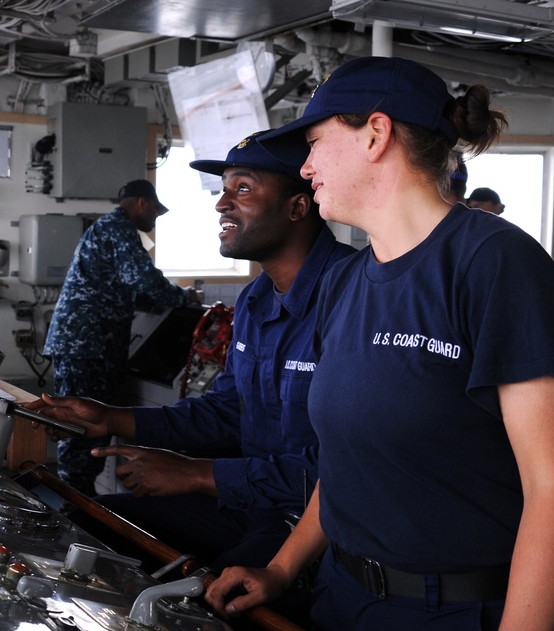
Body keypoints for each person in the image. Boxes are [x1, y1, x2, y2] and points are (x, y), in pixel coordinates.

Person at [205, 56, 554, 631]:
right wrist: (283, 568)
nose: (305, 167)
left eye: (313, 142)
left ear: (376, 135)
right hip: (342, 597)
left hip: (455, 613)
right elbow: (345, 462)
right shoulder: (345, 280)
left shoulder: (495, 264)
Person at [31, 134, 356, 569]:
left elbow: (350, 466)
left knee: (219, 597)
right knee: (88, 530)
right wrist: (111, 419)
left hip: (315, 524)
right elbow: (227, 411)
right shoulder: (257, 300)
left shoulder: (356, 300)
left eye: (242, 188)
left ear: (298, 207)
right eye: (224, 190)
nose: (221, 204)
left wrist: (196, 475)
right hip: (250, 503)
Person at [42, 179, 194, 496]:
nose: (154, 219)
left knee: (82, 427)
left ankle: (78, 497)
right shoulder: (119, 228)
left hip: (86, 344)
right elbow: (144, 279)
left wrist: (165, 302)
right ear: (141, 203)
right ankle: (75, 504)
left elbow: (126, 294)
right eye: (154, 210)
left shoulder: (107, 229)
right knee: (80, 427)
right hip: (87, 345)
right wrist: (184, 299)